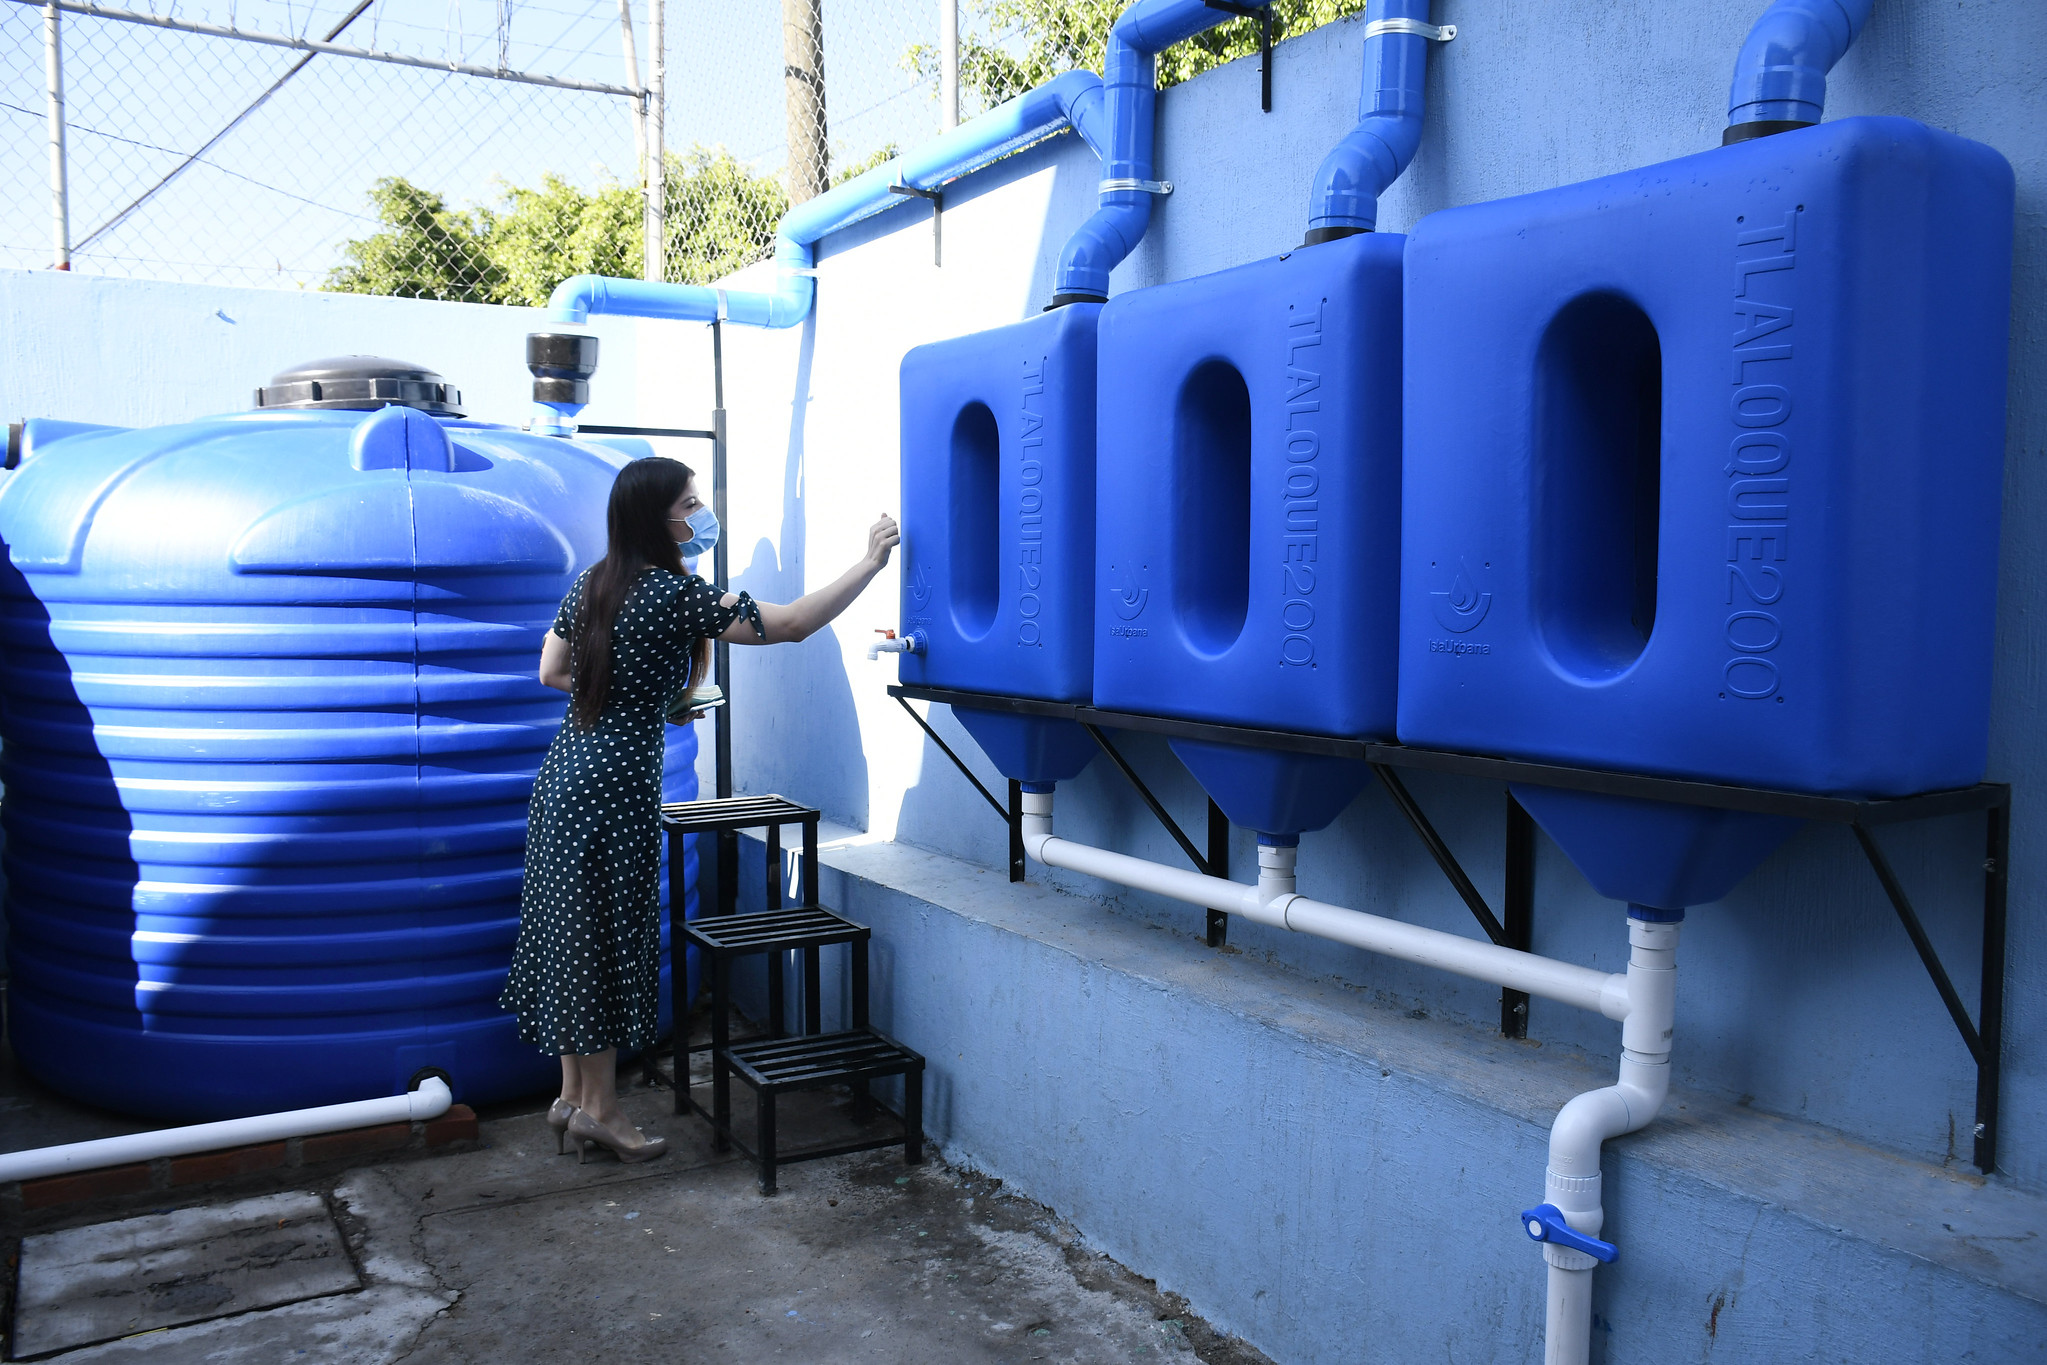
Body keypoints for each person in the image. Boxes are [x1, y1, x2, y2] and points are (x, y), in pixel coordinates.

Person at [500, 455, 898, 1163]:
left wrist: (629, 700)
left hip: (564, 776)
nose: (699, 512)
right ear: (659, 517)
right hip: (615, 788)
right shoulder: (674, 596)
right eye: (689, 502)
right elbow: (793, 623)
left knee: (572, 934)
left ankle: (568, 1095)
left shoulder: (594, 582)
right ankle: (602, 1110)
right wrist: (868, 563)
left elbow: (552, 671)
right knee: (606, 943)